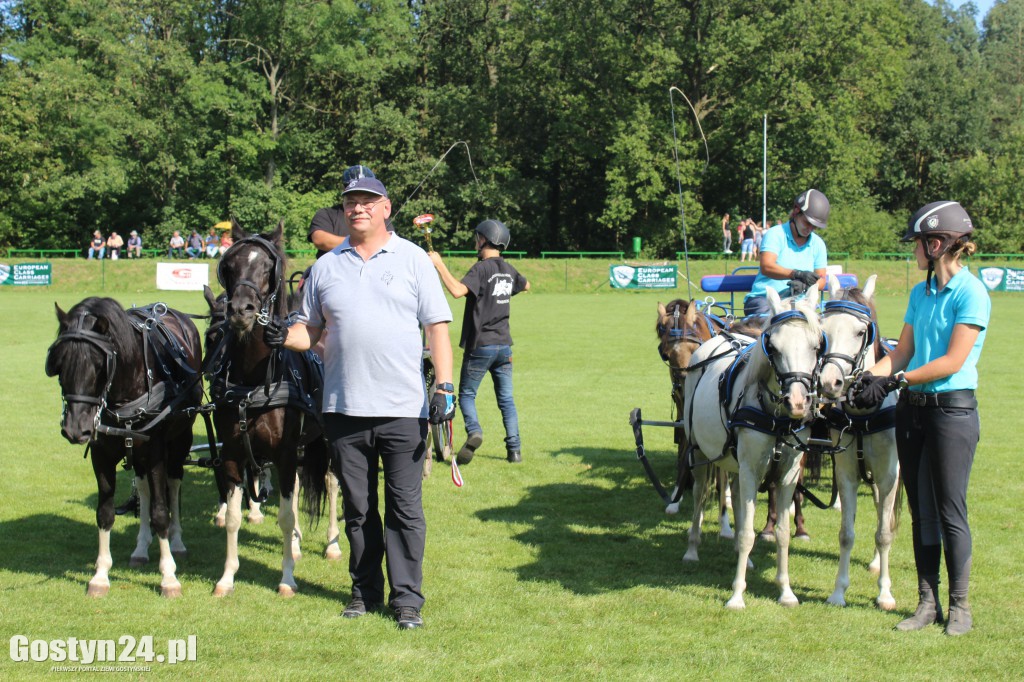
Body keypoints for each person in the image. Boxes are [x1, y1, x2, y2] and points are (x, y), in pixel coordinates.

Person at [263, 173, 454, 631]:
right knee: (359, 508)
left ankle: (406, 600)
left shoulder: (412, 259)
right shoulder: (327, 266)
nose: (358, 208)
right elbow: (309, 331)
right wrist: (277, 335)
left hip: (403, 409)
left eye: (368, 200)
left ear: (386, 207)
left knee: (405, 509)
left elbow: (438, 328)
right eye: (351, 201)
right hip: (343, 408)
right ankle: (364, 592)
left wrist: (444, 388)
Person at [849, 201, 989, 636]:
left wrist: (896, 381)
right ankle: (927, 603)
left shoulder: (972, 293)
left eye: (918, 243)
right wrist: (861, 380)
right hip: (913, 412)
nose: (914, 251)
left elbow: (952, 360)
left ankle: (960, 607)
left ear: (938, 243)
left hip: (952, 412)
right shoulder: (919, 293)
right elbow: (901, 353)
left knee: (950, 511)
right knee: (921, 511)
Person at [428, 219, 530, 465]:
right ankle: (514, 451)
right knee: (506, 400)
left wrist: (439, 264)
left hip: (481, 346)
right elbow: (526, 285)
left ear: (483, 239)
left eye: (477, 238)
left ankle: (474, 431)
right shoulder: (508, 269)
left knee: (465, 395)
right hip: (504, 346)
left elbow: (456, 290)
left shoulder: (481, 268)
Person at [742, 189, 830, 316]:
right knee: (777, 326)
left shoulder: (818, 244)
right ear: (796, 211)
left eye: (814, 226)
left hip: (801, 303)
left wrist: (806, 286)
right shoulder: (775, 234)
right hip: (765, 300)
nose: (810, 229)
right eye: (807, 222)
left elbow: (821, 279)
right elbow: (767, 266)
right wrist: (796, 274)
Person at [307, 165, 383, 259]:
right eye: (353, 189)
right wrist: (360, 244)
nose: (358, 209)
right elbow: (319, 239)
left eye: (365, 188)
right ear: (344, 189)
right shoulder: (326, 214)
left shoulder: (378, 214)